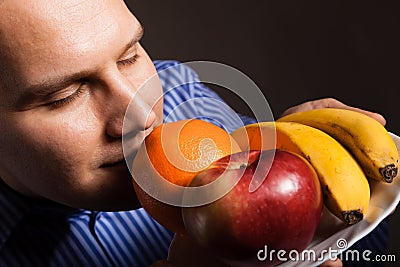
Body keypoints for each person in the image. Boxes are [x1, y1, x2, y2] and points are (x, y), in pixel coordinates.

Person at [0, 1, 391, 267]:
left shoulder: (185, 94)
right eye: (64, 96)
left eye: (129, 55)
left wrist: (310, 198)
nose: (141, 113)